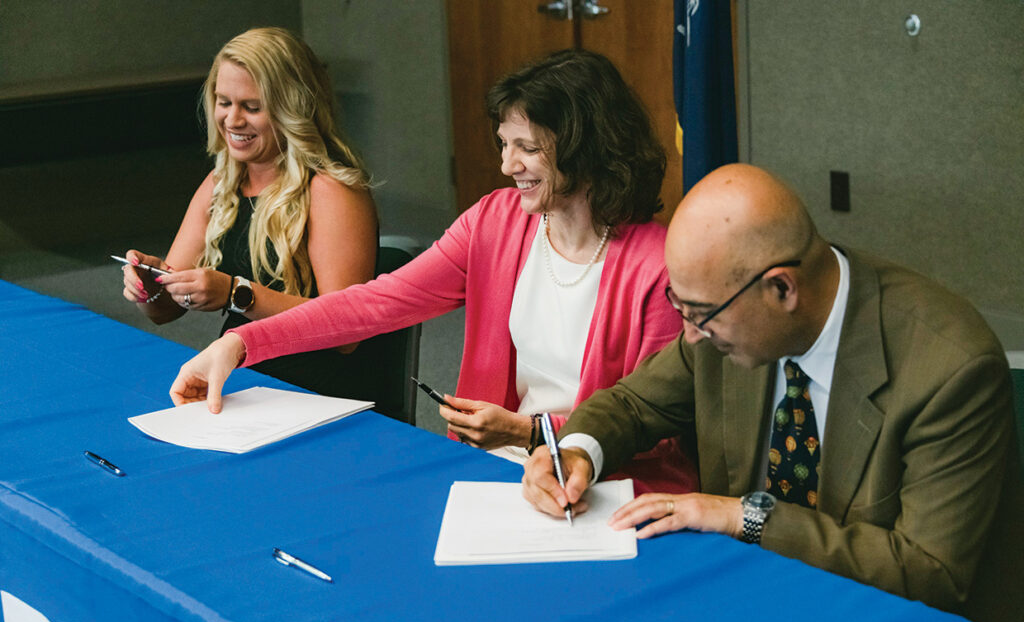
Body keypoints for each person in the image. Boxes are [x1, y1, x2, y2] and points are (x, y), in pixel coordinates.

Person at [168, 49, 697, 494]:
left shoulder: (658, 264)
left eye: (527, 148)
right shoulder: (495, 221)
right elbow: (375, 302)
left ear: (586, 151)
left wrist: (530, 431)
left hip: (607, 485)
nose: (507, 166)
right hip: (499, 469)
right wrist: (239, 344)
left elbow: (657, 426)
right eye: (504, 144)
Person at [523, 163, 1017, 614]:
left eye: (702, 315)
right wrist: (577, 453)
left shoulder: (950, 370)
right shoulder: (724, 327)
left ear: (782, 289)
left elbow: (929, 573)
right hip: (748, 599)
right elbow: (633, 404)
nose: (690, 334)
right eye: (682, 308)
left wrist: (746, 517)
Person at [120, 28, 384, 411]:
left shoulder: (332, 190)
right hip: (243, 381)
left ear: (293, 109)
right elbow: (166, 312)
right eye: (224, 102)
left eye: (252, 107)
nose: (232, 119)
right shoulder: (220, 183)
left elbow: (344, 332)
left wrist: (235, 294)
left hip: (318, 395)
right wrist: (152, 284)